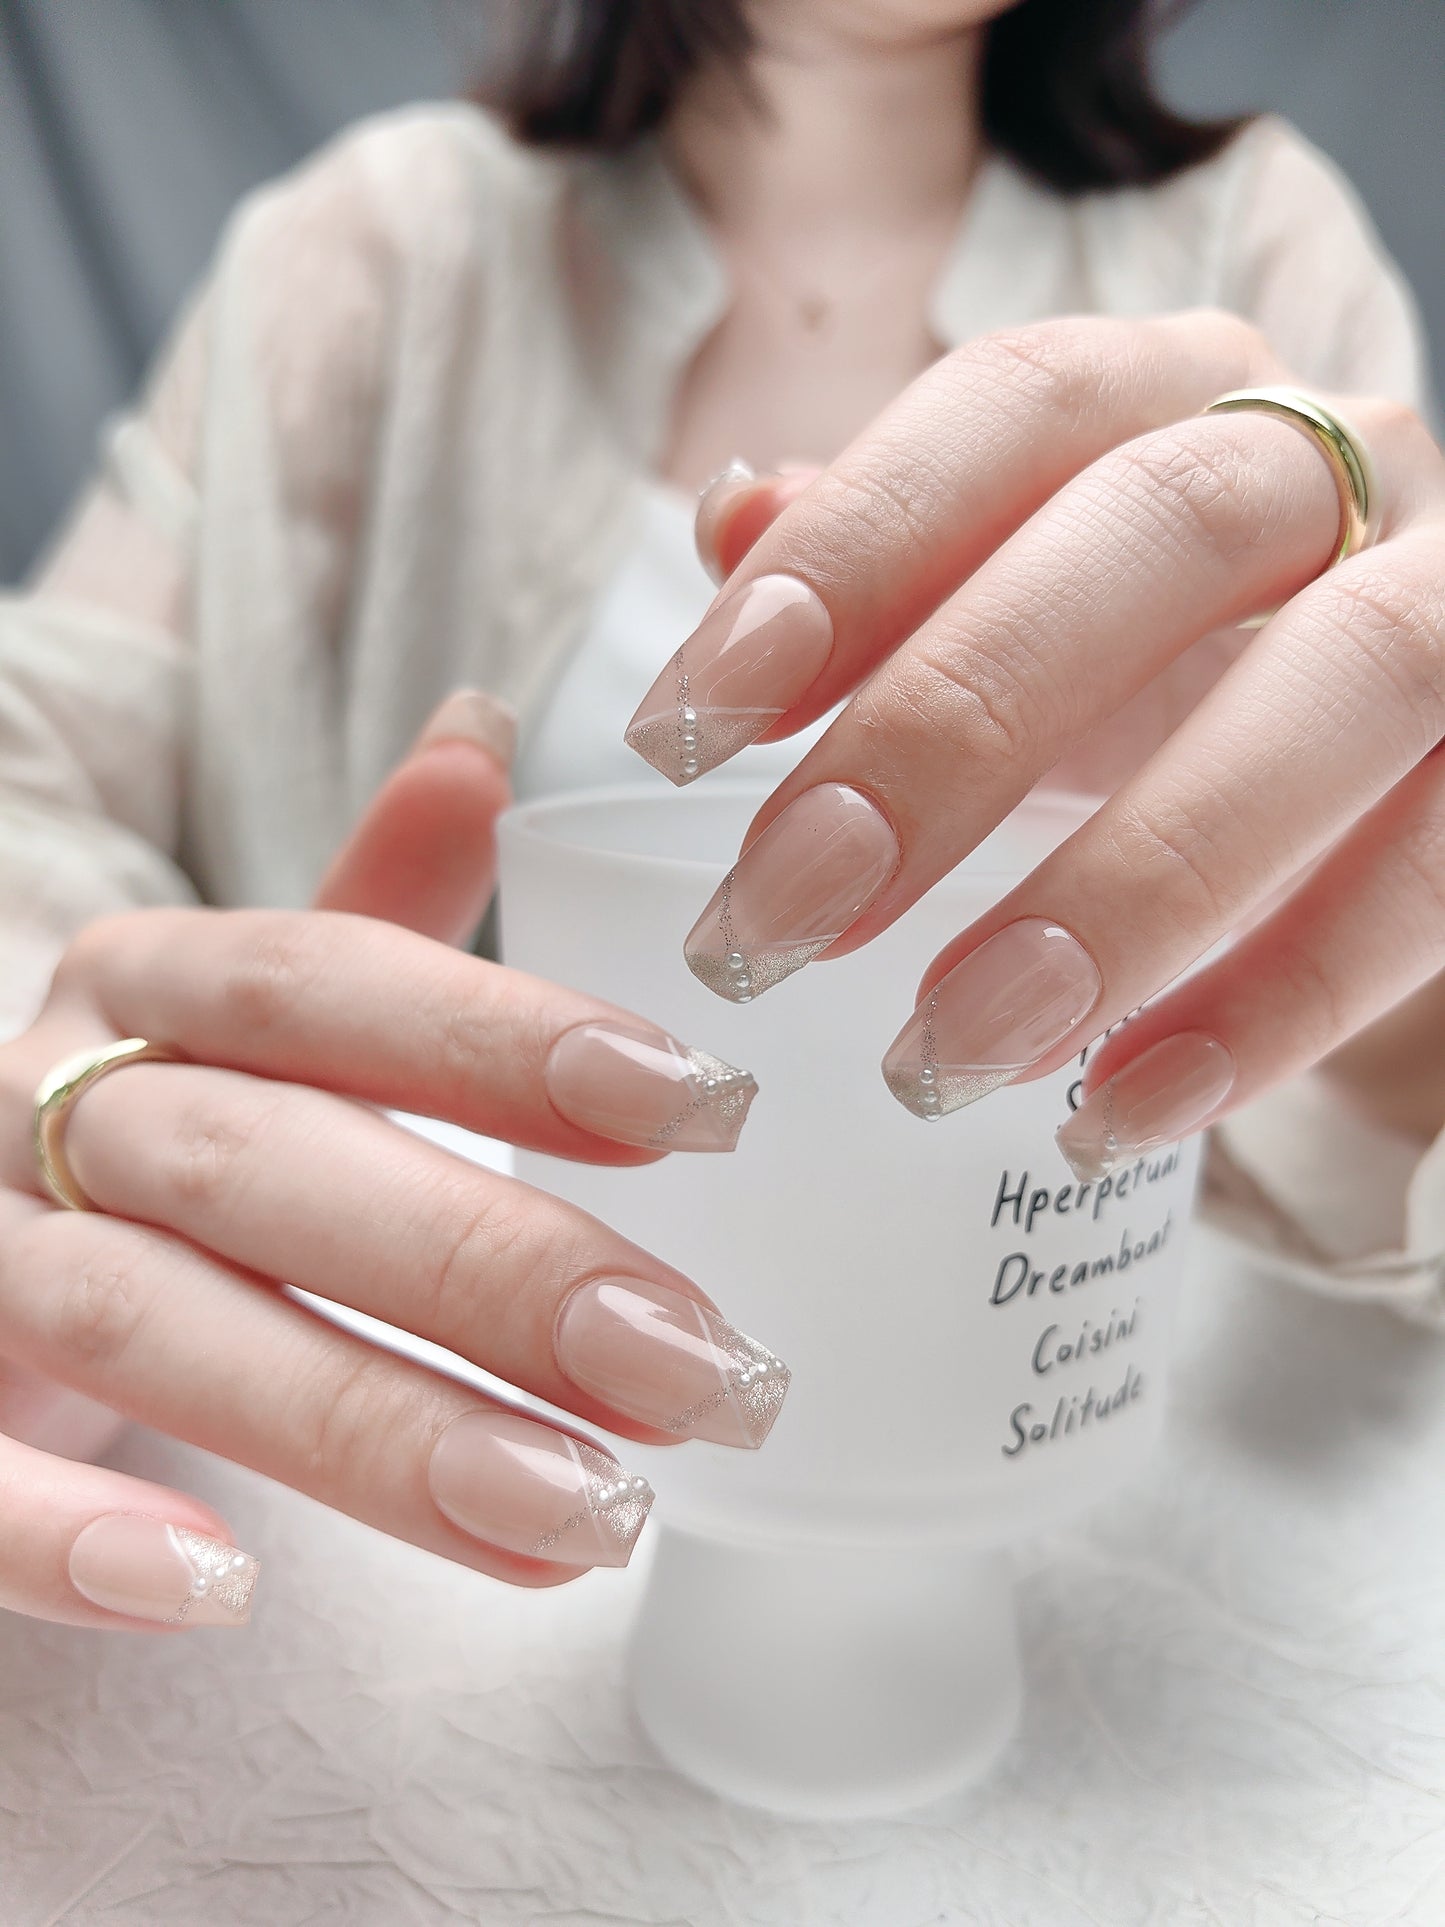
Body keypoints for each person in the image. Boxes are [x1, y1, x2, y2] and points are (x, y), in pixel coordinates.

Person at [1, 0, 1442, 1633]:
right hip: (378, 1499)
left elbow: (1356, 1125)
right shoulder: (378, 246)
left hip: (1052, 1501)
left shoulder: (1261, 238)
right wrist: (73, 1093)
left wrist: (1392, 954)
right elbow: (28, 775)